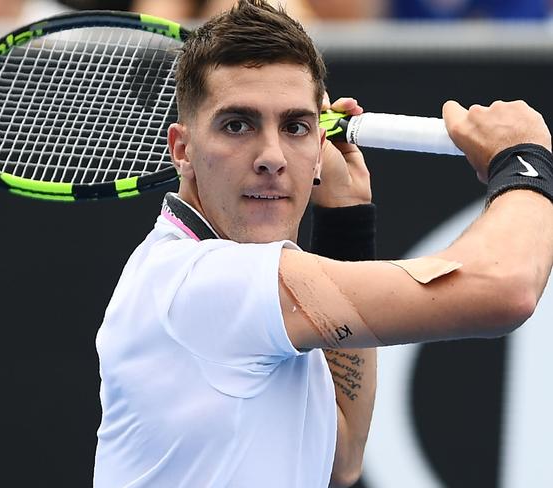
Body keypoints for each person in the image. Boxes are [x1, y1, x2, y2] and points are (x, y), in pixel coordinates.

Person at [93, 0, 553, 487]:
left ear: (318, 148)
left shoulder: (246, 292)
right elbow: (504, 289)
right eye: (237, 125)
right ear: (183, 150)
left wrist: (347, 218)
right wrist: (525, 162)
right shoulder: (202, 281)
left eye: (294, 127)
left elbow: (341, 456)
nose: (272, 156)